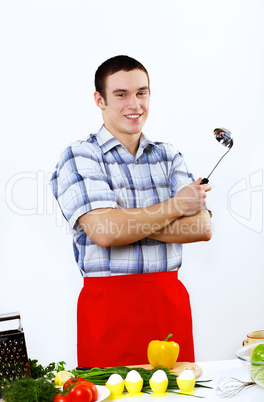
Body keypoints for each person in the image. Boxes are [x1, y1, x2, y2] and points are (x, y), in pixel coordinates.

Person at [50, 55, 212, 368]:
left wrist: (123, 220)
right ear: (100, 100)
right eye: (121, 94)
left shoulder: (169, 155)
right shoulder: (80, 154)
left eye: (141, 92)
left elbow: (201, 228)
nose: (134, 104)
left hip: (168, 305)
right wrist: (177, 206)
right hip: (109, 309)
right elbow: (106, 233)